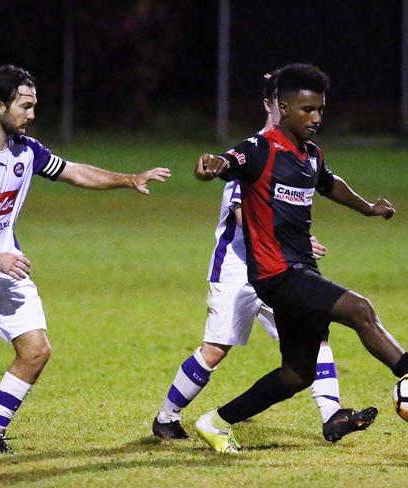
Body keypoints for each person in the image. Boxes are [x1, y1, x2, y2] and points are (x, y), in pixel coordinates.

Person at [193, 63, 408, 453]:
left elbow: (329, 183)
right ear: (283, 108)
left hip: (300, 270)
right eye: (307, 110)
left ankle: (215, 421)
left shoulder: (309, 155)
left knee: (297, 374)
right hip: (277, 275)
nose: (316, 118)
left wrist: (368, 208)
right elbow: (227, 163)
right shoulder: (259, 150)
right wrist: (212, 167)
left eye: (321, 110)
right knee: (360, 310)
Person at [0, 65, 171, 455]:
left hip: (9, 269)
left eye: (33, 106)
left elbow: (75, 172)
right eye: (25, 106)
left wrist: (127, 179)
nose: (31, 114)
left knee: (36, 351)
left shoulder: (27, 150)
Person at [152, 71, 377, 444]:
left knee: (314, 335)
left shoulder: (296, 151)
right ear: (272, 105)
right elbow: (245, 212)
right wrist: (297, 237)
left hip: (280, 269)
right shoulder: (253, 152)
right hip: (237, 269)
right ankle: (166, 418)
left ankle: (332, 415)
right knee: (215, 350)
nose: (309, 114)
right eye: (286, 103)